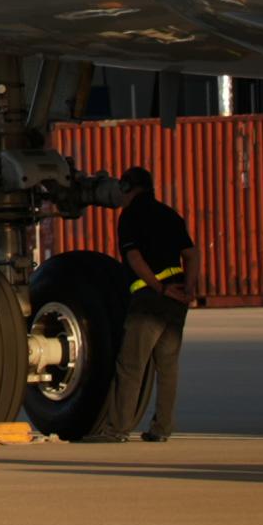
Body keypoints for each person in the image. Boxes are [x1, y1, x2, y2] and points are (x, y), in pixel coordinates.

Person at [89, 164, 197, 442]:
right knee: (168, 367)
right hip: (177, 299)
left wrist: (159, 287)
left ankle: (117, 429)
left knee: (131, 365)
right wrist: (189, 289)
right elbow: (192, 255)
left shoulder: (131, 216)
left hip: (150, 300)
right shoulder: (170, 215)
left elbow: (134, 258)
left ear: (126, 188)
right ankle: (162, 429)